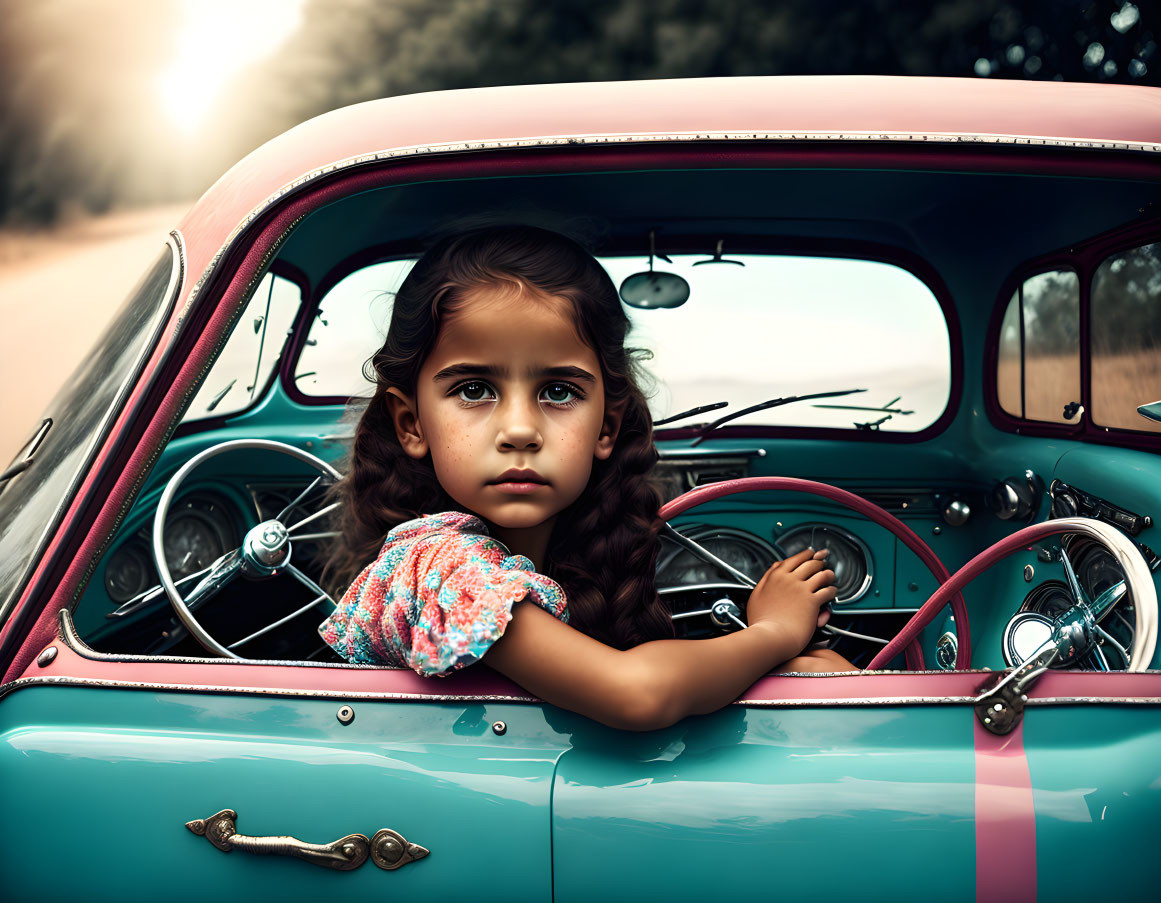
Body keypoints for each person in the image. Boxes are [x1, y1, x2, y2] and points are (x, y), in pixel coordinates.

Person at [321, 225, 854, 731]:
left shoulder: (550, 563)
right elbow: (635, 693)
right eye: (474, 389)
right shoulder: (441, 565)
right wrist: (773, 634)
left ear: (607, 426)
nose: (520, 430)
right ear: (413, 424)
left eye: (557, 392)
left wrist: (790, 675)